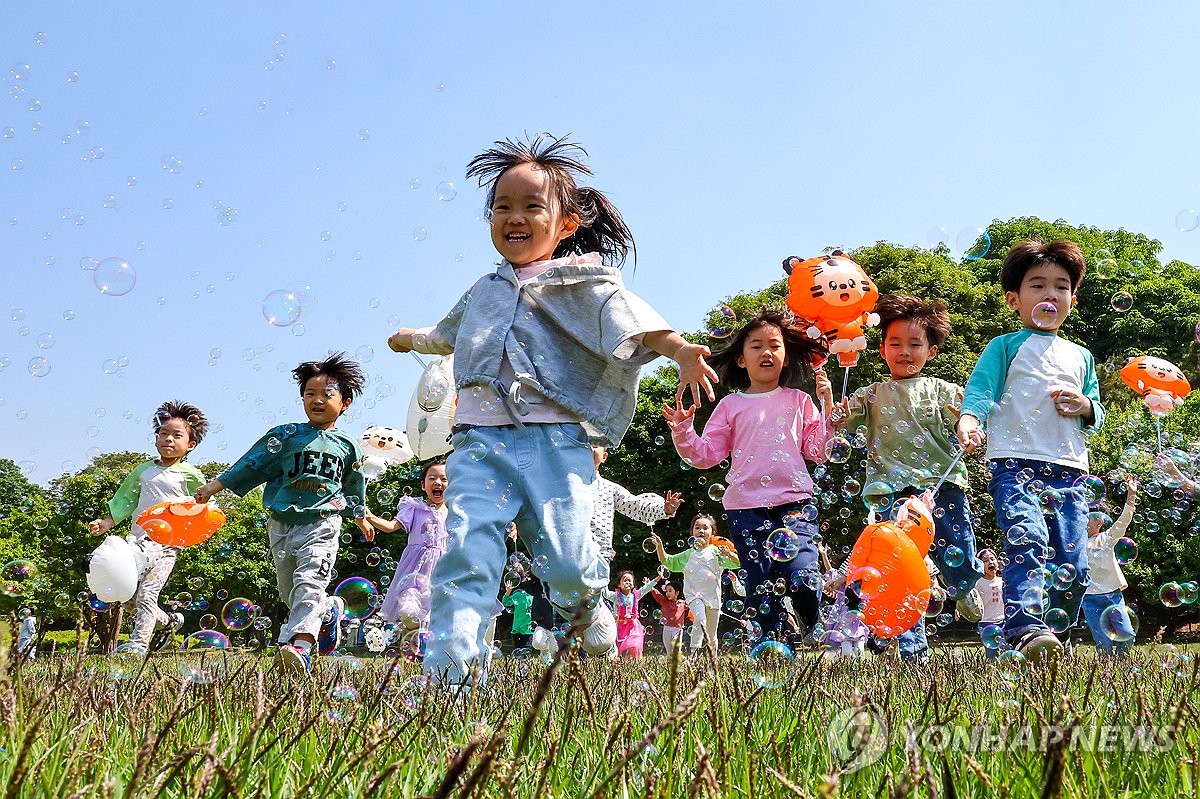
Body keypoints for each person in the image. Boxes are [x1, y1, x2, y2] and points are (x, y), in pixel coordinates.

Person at [386, 134, 717, 685]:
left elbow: (634, 318)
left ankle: (590, 615)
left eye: (531, 206)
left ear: (567, 222)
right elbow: (448, 334)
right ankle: (450, 676)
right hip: (477, 443)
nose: (514, 217)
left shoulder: (583, 282)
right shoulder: (484, 290)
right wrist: (411, 339)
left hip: (557, 443)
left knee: (565, 561)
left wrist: (680, 350)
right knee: (466, 554)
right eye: (502, 207)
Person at [957, 239, 1105, 661]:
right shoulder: (1005, 346)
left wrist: (1086, 405)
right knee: (1028, 542)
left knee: (1073, 565)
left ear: (1072, 301)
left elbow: (1097, 410)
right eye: (1037, 286)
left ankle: (1053, 633)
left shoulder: (1082, 356)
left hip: (1071, 469)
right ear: (1014, 299)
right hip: (1015, 463)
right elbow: (981, 391)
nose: (1049, 295)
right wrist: (970, 419)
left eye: (1060, 287)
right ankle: (1025, 629)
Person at [195, 352, 374, 673]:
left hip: (323, 521)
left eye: (327, 394)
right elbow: (252, 462)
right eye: (310, 393)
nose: (317, 400)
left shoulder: (348, 445)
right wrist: (214, 486)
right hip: (281, 522)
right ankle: (329, 612)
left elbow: (354, 483)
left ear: (345, 402)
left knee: (310, 579)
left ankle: (301, 645)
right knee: (289, 587)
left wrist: (359, 514)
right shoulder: (287, 435)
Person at [664, 308, 833, 640]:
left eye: (774, 345)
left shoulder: (800, 400)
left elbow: (818, 450)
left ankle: (812, 618)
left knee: (801, 573)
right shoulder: (730, 405)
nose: (766, 352)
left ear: (786, 358)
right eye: (756, 346)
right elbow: (704, 455)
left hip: (795, 503)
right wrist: (683, 429)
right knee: (758, 583)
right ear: (741, 359)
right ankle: (770, 647)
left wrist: (829, 412)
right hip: (744, 508)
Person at [831, 295, 985, 660]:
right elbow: (840, 421)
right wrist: (834, 409)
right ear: (882, 349)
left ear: (931, 351)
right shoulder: (869, 395)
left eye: (915, 344)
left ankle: (964, 586)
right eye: (895, 343)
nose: (904, 351)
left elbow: (969, 425)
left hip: (941, 484)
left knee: (958, 551)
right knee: (900, 570)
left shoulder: (944, 391)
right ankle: (914, 650)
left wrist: (971, 430)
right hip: (889, 490)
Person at [88, 400, 208, 656]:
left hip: (167, 547)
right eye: (163, 433)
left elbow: (203, 506)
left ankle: (138, 645)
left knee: (147, 594)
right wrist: (107, 523)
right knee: (128, 597)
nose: (168, 439)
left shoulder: (191, 475)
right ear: (156, 438)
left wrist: (201, 526)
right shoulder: (143, 471)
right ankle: (168, 621)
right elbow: (125, 500)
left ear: (190, 445)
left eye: (177, 435)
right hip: (137, 544)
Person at [365, 458, 449, 633]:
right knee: (409, 610)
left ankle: (425, 649)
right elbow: (390, 527)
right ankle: (412, 639)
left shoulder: (456, 512)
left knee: (438, 612)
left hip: (444, 571)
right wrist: (369, 516)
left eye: (444, 478)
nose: (438, 482)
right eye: (432, 478)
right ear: (423, 485)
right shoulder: (414, 508)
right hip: (415, 571)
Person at [651, 515, 740, 653]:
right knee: (699, 618)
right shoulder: (688, 554)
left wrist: (730, 554)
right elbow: (668, 561)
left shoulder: (717, 553)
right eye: (697, 527)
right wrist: (659, 546)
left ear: (713, 532)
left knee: (711, 633)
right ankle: (694, 654)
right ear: (692, 532)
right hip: (693, 595)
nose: (701, 530)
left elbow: (738, 563)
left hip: (713, 599)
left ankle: (713, 659)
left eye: (705, 527)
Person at [590, 446, 682, 564]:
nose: (590, 448)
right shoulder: (561, 484)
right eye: (585, 443)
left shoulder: (610, 489)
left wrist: (664, 509)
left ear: (604, 456)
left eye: (595, 445)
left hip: (599, 556)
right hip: (564, 554)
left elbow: (638, 508)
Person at [1083, 476, 1139, 657]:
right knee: (1103, 644)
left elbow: (1123, 521)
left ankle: (1121, 664)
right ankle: (1108, 674)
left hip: (1113, 595)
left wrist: (1131, 495)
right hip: (1090, 599)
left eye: (1087, 518)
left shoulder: (1106, 539)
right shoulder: (1076, 544)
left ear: (1099, 522)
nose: (1083, 521)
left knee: (1128, 634)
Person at [601, 570, 659, 658]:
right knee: (620, 648)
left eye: (629, 580)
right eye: (624, 580)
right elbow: (605, 594)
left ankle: (634, 662)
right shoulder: (616, 596)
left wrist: (659, 577)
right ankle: (623, 662)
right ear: (619, 585)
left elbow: (647, 587)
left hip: (633, 627)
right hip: (619, 626)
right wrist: (603, 580)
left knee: (634, 645)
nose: (627, 582)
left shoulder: (636, 595)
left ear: (633, 584)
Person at [973, 549, 1005, 659]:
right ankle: (992, 674)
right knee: (992, 655)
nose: (990, 562)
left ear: (998, 562)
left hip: (1004, 621)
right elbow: (969, 599)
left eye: (992, 559)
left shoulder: (1003, 581)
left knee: (1007, 652)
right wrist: (959, 608)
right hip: (985, 623)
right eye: (985, 560)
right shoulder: (978, 583)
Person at [649, 578, 690, 653]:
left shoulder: (683, 603)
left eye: (670, 591)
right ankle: (670, 663)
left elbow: (691, 606)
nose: (667, 593)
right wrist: (650, 586)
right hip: (666, 628)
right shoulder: (664, 601)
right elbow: (657, 594)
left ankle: (676, 663)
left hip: (678, 629)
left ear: (677, 593)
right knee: (669, 650)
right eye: (666, 591)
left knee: (676, 648)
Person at [501, 584, 535, 649]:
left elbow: (505, 602)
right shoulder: (519, 595)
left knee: (522, 650)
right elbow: (505, 603)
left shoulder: (530, 597)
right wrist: (508, 592)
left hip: (526, 628)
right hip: (518, 628)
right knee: (521, 650)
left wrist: (508, 592)